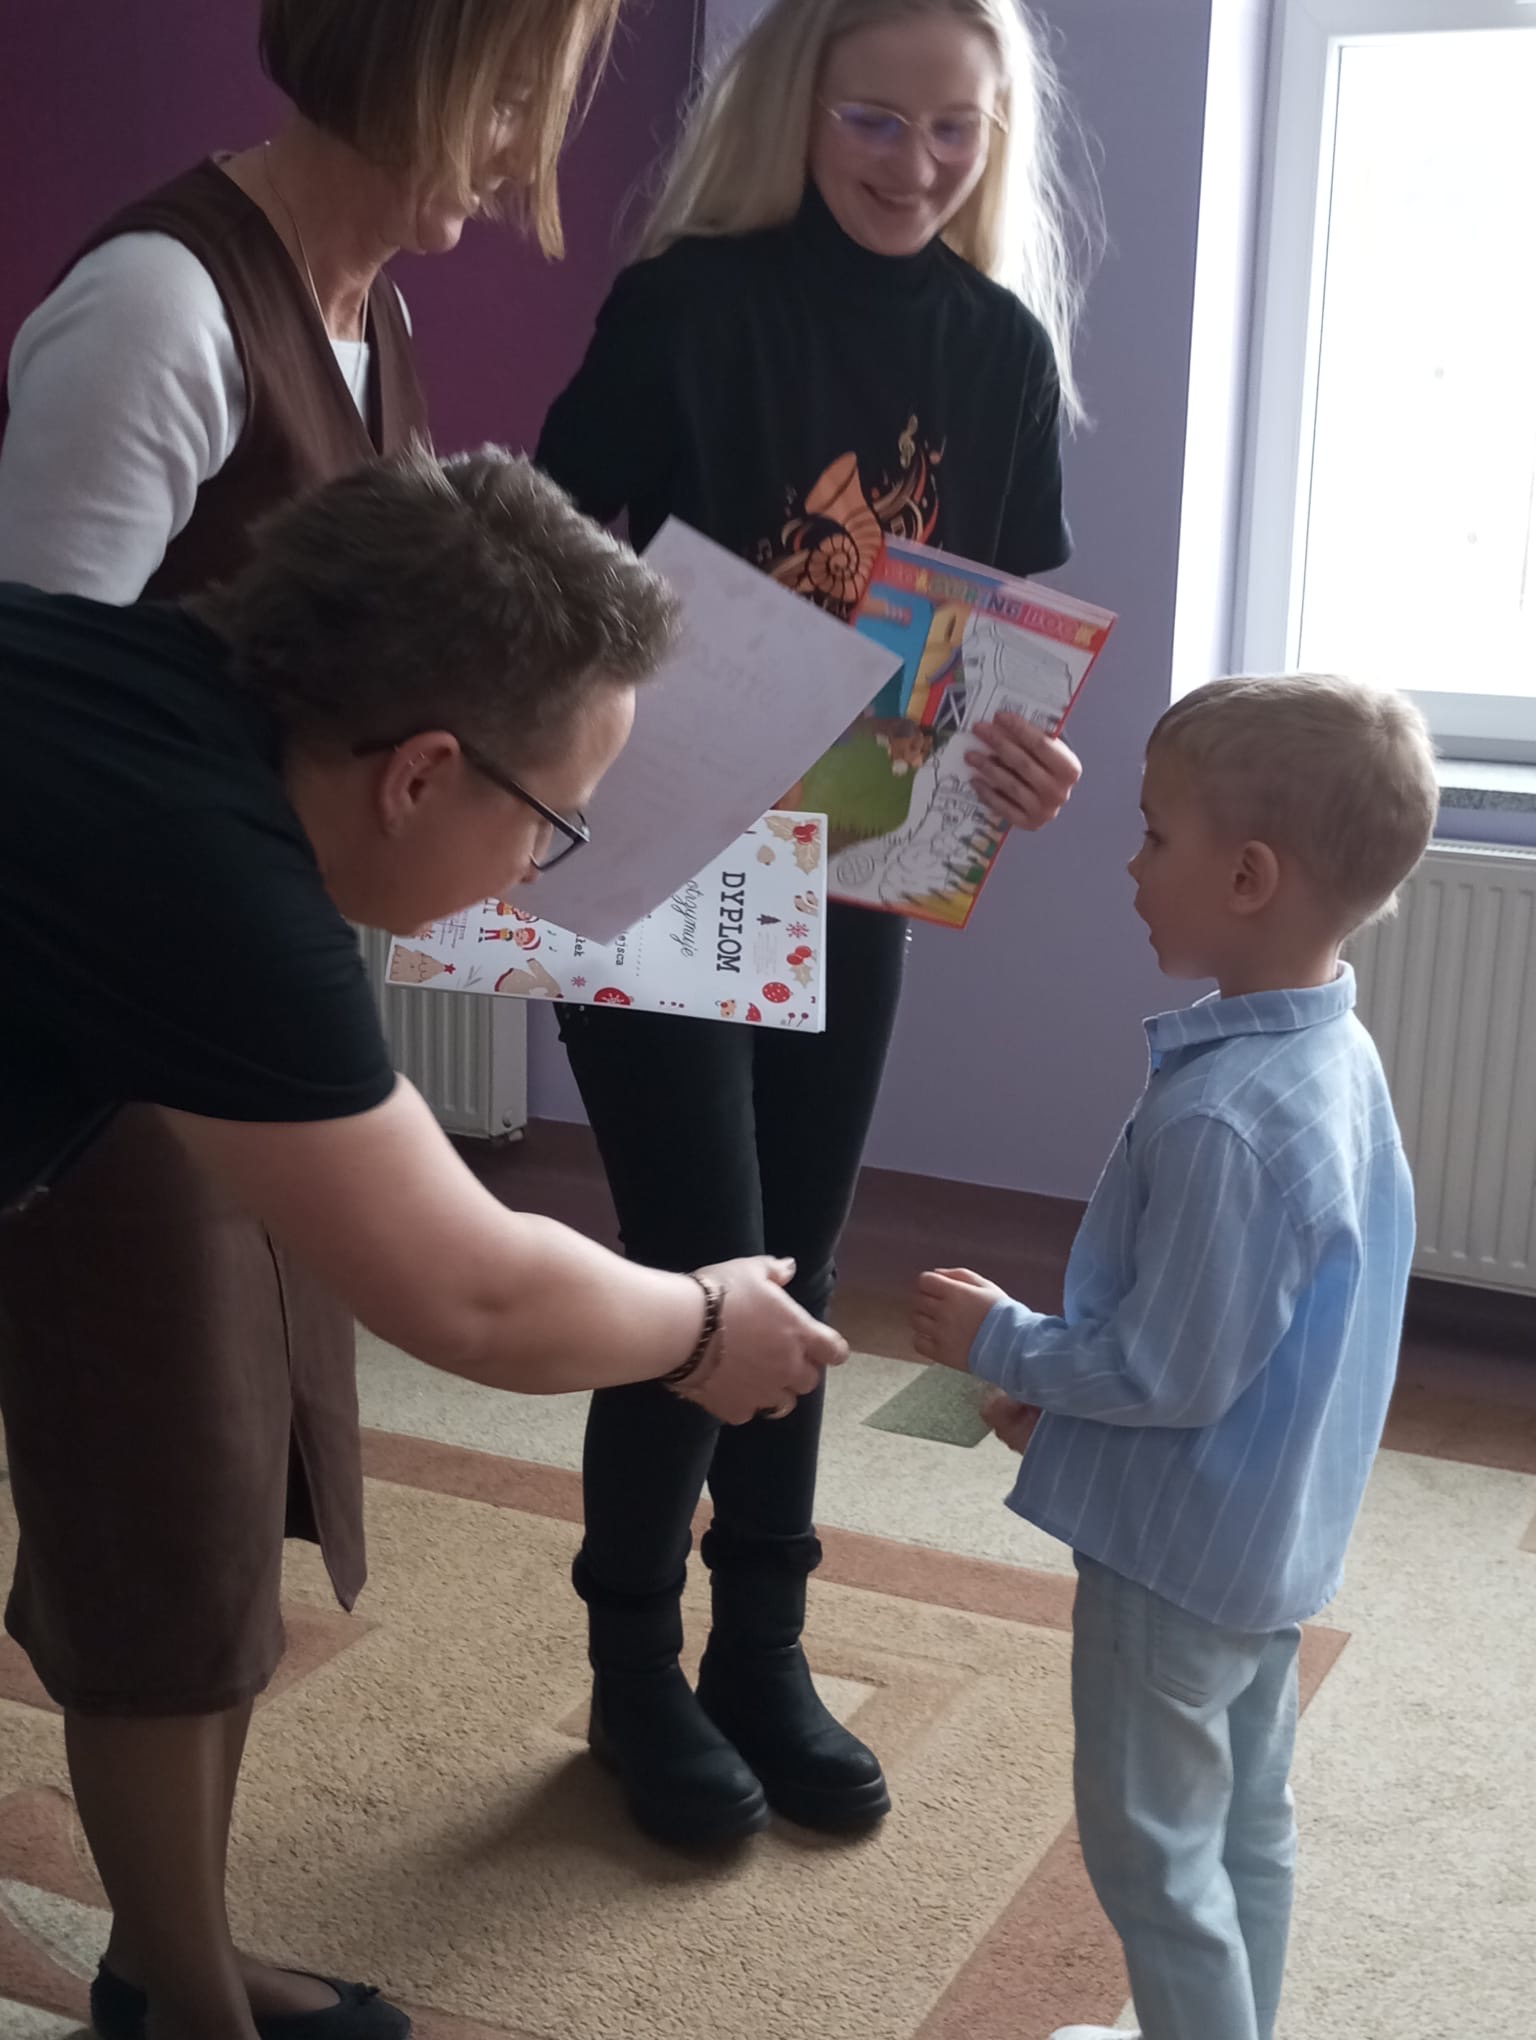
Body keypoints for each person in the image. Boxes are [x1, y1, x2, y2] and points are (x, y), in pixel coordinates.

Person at [0, 446, 846, 2040]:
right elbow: (472, 1293)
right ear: (422, 773)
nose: (540, 865)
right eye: (554, 824)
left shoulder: (154, 685)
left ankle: (177, 1978)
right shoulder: (208, 871)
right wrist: (701, 1325)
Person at [0, 5, 632, 2036]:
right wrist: (696, 1322)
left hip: (236, 1010)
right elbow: (41, 725)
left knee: (238, 1495)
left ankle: (177, 1950)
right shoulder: (157, 311)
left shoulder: (371, 323)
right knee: (156, 1516)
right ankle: (178, 1993)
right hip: (112, 1048)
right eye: (507, 87)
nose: (526, 144)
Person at [533, 0, 1097, 1845]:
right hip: (656, 843)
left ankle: (760, 1649)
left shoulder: (998, 350)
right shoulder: (687, 308)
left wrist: (1020, 763)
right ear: (797, 105)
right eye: (874, 119)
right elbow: (537, 558)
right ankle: (632, 1665)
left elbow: (986, 656)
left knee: (801, 1261)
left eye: (954, 130)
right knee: (703, 1265)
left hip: (852, 869)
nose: (915, 164)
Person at [911, 674, 1441, 2040]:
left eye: (1155, 836)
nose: (1133, 866)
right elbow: (1251, 1340)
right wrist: (1060, 1410)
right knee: (1246, 1824)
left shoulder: (1225, 1121)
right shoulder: (1335, 1057)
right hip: (1271, 1542)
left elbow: (1165, 1373)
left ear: (1249, 877)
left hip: (1177, 1568)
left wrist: (1003, 1341)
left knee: (1154, 1855)